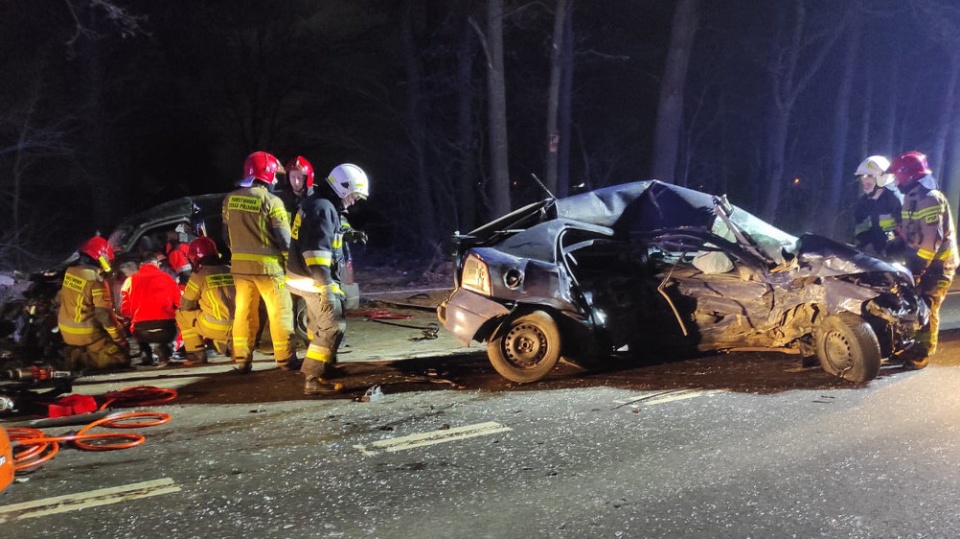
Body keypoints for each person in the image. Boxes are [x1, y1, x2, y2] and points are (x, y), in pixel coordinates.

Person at [286, 163, 370, 395]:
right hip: (313, 278)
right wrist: (326, 287)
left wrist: (347, 233)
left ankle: (325, 367)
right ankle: (313, 378)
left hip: (304, 276)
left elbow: (330, 227)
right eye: (354, 195)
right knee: (333, 324)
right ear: (344, 188)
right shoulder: (323, 207)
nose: (354, 201)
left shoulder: (320, 202)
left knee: (319, 325)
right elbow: (316, 252)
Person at [222, 151, 298, 373]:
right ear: (266, 174)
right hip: (270, 269)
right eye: (275, 176)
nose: (275, 181)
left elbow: (225, 235)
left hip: (240, 270)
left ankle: (242, 360)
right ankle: (285, 359)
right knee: (280, 312)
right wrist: (291, 264)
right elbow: (284, 240)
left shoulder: (230, 199)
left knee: (244, 312)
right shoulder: (272, 201)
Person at [886, 151, 958, 366]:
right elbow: (911, 230)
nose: (896, 180)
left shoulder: (930, 199)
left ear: (909, 174)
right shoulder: (911, 196)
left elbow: (931, 240)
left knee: (927, 304)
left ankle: (923, 352)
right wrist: (899, 242)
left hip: (938, 264)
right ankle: (910, 345)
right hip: (921, 260)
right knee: (911, 304)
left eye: (898, 175)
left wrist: (918, 266)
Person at [57, 235, 130, 371]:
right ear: (101, 257)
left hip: (66, 333)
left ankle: (79, 357)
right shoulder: (96, 280)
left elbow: (77, 302)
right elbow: (104, 315)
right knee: (122, 358)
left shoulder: (70, 272)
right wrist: (119, 338)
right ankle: (91, 360)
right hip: (88, 334)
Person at [176, 237, 235, 366]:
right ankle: (235, 348)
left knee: (181, 314)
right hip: (240, 327)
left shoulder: (200, 275)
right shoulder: (230, 269)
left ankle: (196, 355)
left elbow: (185, 305)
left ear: (194, 257)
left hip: (215, 326)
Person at [120, 251, 182, 365]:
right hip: (167, 330)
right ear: (157, 264)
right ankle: (166, 353)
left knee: (130, 325)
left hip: (141, 331)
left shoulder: (130, 281)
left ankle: (146, 354)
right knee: (178, 321)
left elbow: (125, 311)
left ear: (140, 265)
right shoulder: (167, 278)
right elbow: (179, 303)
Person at [852, 155, 901, 256]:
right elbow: (860, 230)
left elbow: (906, 232)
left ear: (883, 177)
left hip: (896, 253)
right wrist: (866, 245)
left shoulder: (896, 199)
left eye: (869, 175)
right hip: (872, 255)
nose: (864, 180)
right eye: (862, 176)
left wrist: (889, 246)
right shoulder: (863, 202)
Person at [276, 155, 315, 220]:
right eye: (293, 177)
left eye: (299, 178)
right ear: (288, 177)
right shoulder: (279, 199)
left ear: (306, 179)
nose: (296, 182)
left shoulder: (314, 201)